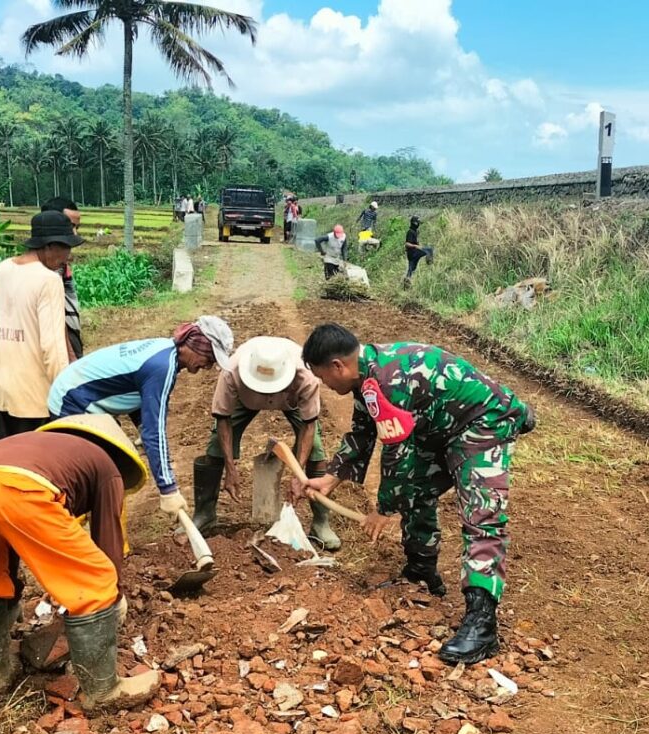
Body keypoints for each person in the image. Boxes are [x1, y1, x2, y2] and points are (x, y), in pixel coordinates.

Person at [299, 323, 536, 665]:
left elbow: (398, 454)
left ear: (338, 366)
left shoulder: (387, 381)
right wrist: (330, 478)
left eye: (323, 376)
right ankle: (422, 572)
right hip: (442, 426)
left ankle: (483, 623)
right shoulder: (366, 378)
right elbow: (363, 432)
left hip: (482, 422)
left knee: (481, 513)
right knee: (418, 491)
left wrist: (384, 508)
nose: (324, 384)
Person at [0, 413, 161, 708]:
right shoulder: (106, 465)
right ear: (117, 450)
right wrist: (113, 594)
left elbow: (15, 536)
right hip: (21, 488)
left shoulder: (47, 448)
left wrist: (56, 576)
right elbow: (107, 540)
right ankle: (103, 692)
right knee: (94, 579)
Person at [48, 317, 234, 517]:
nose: (207, 366)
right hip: (73, 401)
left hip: (79, 394)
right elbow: (155, 432)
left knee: (108, 475)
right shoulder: (162, 368)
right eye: (209, 358)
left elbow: (132, 394)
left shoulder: (165, 352)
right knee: (96, 475)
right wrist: (168, 489)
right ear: (196, 345)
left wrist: (141, 427)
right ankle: (73, 532)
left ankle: (105, 536)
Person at [191, 336, 340, 550]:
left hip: (291, 402)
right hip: (245, 400)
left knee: (316, 450)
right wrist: (230, 468)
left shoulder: (305, 376)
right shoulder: (232, 371)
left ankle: (320, 524)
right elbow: (223, 418)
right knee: (215, 445)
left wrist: (299, 477)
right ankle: (204, 515)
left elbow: (309, 425)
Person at [0, 210, 83, 441]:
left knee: (8, 462)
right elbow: (53, 348)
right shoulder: (49, 281)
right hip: (37, 401)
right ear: (50, 246)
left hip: (3, 395)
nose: (68, 256)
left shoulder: (2, 270)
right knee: (37, 469)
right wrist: (66, 395)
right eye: (66, 248)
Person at [41, 197, 84, 361]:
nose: (74, 233)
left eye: (77, 227)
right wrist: (72, 359)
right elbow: (55, 322)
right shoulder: (46, 273)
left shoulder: (61, 267)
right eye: (70, 225)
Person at [404, 215, 432, 287]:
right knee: (429, 250)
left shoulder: (415, 231)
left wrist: (418, 244)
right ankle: (430, 263)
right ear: (414, 223)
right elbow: (407, 244)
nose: (419, 224)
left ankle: (407, 280)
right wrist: (415, 246)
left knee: (412, 268)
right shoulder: (410, 232)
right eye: (418, 223)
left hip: (412, 253)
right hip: (413, 253)